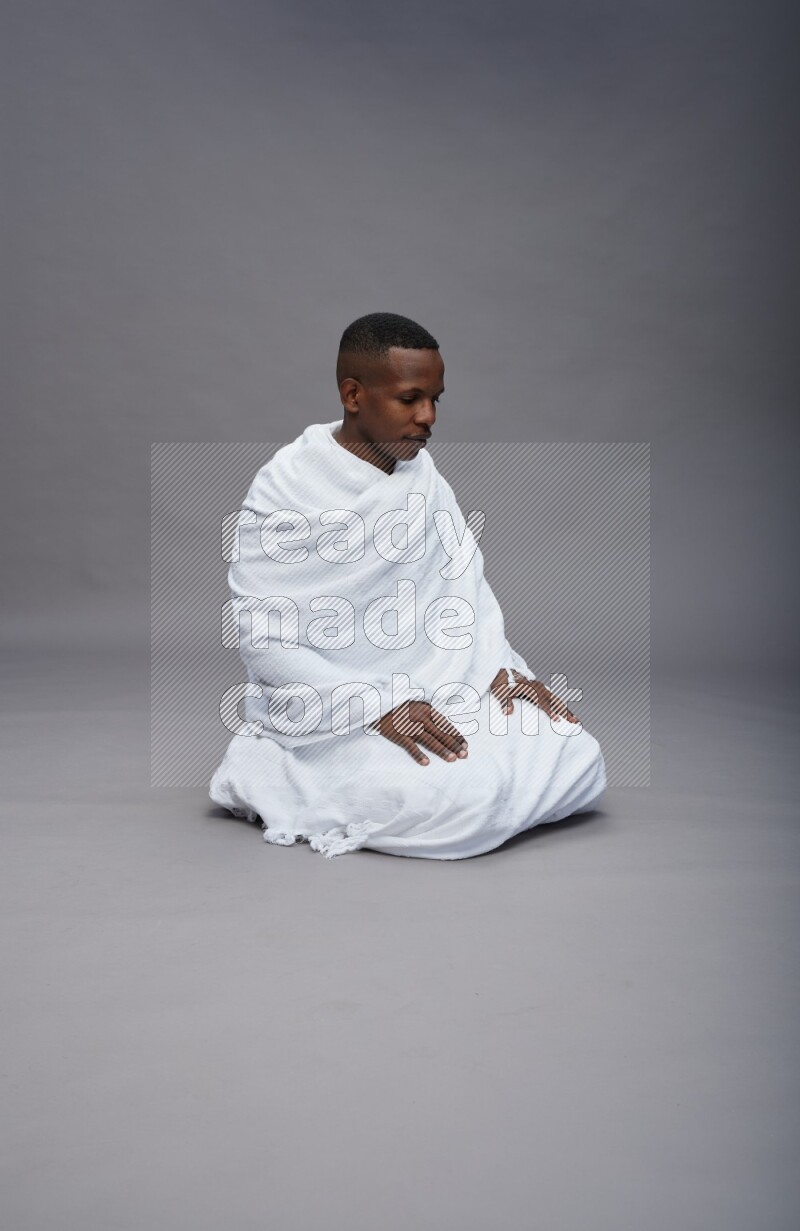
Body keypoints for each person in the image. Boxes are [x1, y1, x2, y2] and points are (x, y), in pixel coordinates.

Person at [209, 312, 607, 858]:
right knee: (462, 798)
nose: (429, 417)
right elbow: (263, 638)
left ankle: (471, 774)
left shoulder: (424, 477)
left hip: (439, 684)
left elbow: (465, 595)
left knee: (575, 750)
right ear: (353, 394)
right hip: (335, 707)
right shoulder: (287, 488)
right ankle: (271, 762)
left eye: (436, 399)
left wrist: (501, 667)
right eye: (410, 399)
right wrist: (377, 704)